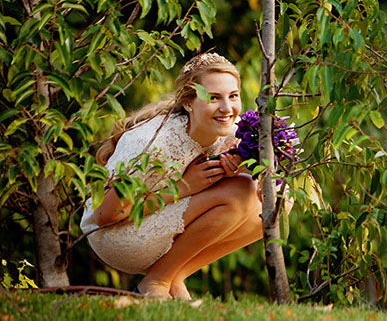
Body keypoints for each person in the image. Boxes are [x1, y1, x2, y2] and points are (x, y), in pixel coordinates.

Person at [80, 53, 262, 299]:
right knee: (242, 193)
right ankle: (157, 280)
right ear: (188, 103)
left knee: (273, 200)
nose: (227, 108)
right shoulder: (153, 143)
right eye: (213, 98)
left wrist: (238, 169)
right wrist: (184, 187)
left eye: (233, 96)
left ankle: (172, 276)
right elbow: (105, 217)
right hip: (118, 236)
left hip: (157, 216)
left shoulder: (229, 129)